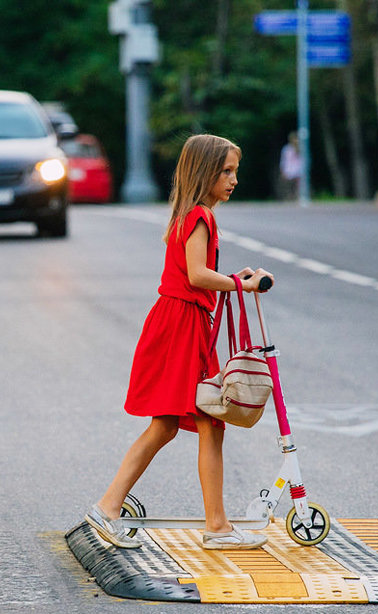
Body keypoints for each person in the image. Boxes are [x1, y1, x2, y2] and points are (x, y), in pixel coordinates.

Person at [85, 134, 274, 550]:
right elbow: (196, 276)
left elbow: (200, 274)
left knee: (172, 424)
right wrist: (242, 287)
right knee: (205, 421)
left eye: (235, 172)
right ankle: (215, 527)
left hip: (181, 320)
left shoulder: (192, 215)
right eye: (226, 172)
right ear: (204, 172)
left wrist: (234, 280)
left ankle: (112, 506)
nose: (233, 180)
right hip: (181, 324)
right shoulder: (200, 217)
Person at [279, 131, 302, 200]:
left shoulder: (301, 148)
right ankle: (289, 199)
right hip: (288, 171)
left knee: (298, 188)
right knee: (288, 188)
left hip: (298, 171)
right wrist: (282, 171)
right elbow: (283, 161)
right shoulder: (286, 149)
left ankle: (298, 199)